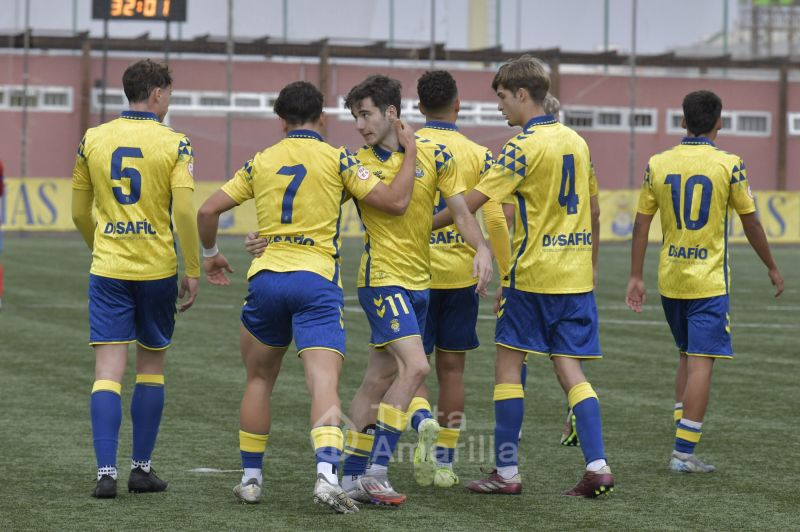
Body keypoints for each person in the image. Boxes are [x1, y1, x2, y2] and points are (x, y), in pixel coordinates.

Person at [196, 81, 419, 512]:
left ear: (281, 122)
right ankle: (326, 477)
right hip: (315, 278)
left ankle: (251, 480)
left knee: (259, 379)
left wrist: (211, 255)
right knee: (323, 382)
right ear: (322, 118)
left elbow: (207, 211)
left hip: (267, 278)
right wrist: (410, 152)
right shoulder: (339, 158)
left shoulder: (261, 160)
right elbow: (394, 203)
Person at [432, 55, 613, 497]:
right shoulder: (577, 140)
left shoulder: (521, 147)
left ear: (521, 94)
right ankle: (598, 466)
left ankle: (507, 473)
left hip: (532, 279)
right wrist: (590, 264)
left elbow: (468, 205)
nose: (498, 108)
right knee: (570, 370)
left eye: (500, 97)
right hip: (574, 279)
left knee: (509, 366)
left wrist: (415, 226)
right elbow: (592, 208)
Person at [340, 74, 493, 506]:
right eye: (356, 117)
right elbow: (394, 202)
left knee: (377, 379)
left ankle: (350, 477)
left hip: (419, 284)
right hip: (381, 280)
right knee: (418, 368)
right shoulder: (357, 162)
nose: (360, 125)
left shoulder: (436, 155)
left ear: (392, 113)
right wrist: (274, 236)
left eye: (366, 114)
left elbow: (460, 213)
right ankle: (376, 471)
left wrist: (480, 247)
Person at [625, 89, 784, 473]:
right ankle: (683, 453)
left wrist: (635, 275)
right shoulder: (729, 164)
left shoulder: (657, 163)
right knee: (700, 364)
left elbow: (642, 224)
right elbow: (751, 222)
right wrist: (772, 266)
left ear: (682, 121)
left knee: (685, 354)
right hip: (708, 283)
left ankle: (682, 431)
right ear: (719, 123)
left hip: (670, 279)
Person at [71, 58, 200, 499]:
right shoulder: (176, 143)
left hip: (108, 268)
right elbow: (183, 211)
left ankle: (105, 472)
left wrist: (101, 245)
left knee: (107, 372)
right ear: (158, 93)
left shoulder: (93, 138)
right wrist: (194, 267)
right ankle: (141, 469)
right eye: (170, 92)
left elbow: (77, 212)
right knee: (151, 368)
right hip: (157, 270)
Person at [406, 70, 511, 489]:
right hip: (462, 275)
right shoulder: (478, 154)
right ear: (458, 105)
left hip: (410, 272)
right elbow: (495, 217)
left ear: (418, 107)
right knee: (453, 371)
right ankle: (446, 464)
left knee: (408, 368)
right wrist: (504, 273)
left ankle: (421, 420)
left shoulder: (405, 147)